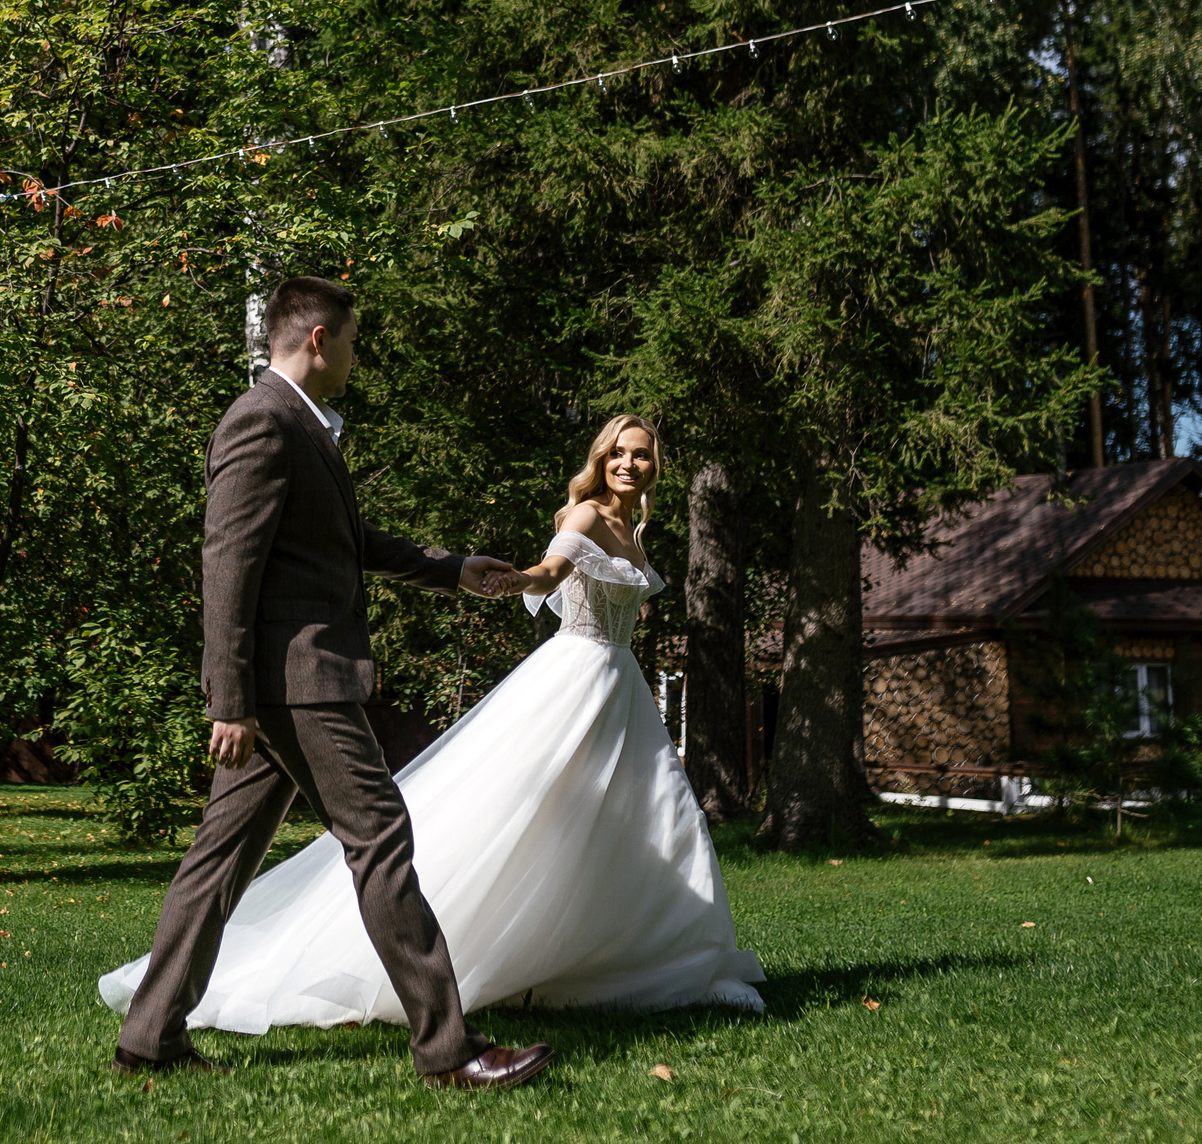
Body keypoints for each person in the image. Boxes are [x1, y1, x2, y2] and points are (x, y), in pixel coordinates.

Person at [101, 406, 764, 1057]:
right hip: (574, 680)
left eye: (640, 454)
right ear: (600, 459)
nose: (627, 463)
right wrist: (518, 579)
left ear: (655, 466)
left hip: (622, 690)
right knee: (500, 818)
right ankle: (447, 1020)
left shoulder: (637, 533)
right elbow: (550, 570)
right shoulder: (585, 516)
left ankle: (620, 957)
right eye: (617, 452)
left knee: (643, 819)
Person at [105, 276, 555, 1091]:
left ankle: (150, 1035)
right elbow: (227, 565)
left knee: (220, 857)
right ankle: (449, 1048)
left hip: (288, 686)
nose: (355, 355)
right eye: (351, 339)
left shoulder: (301, 424)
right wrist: (229, 700)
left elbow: (345, 540)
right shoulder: (263, 421)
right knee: (380, 837)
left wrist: (452, 568)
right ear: (318, 338)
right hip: (296, 685)